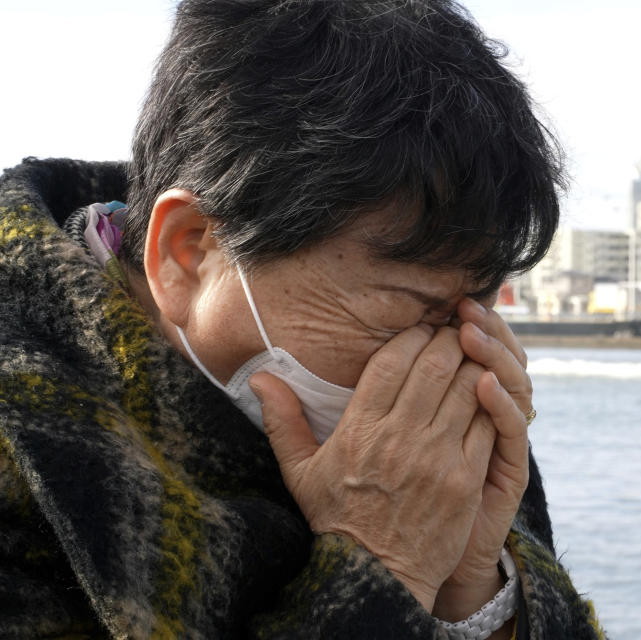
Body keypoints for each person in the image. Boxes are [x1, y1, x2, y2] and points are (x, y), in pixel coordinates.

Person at [0, 1, 606, 638]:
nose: (451, 361)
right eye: (409, 310)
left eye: (478, 308)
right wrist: (383, 569)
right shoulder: (27, 449)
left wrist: (473, 591)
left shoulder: (446, 416)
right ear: (189, 252)